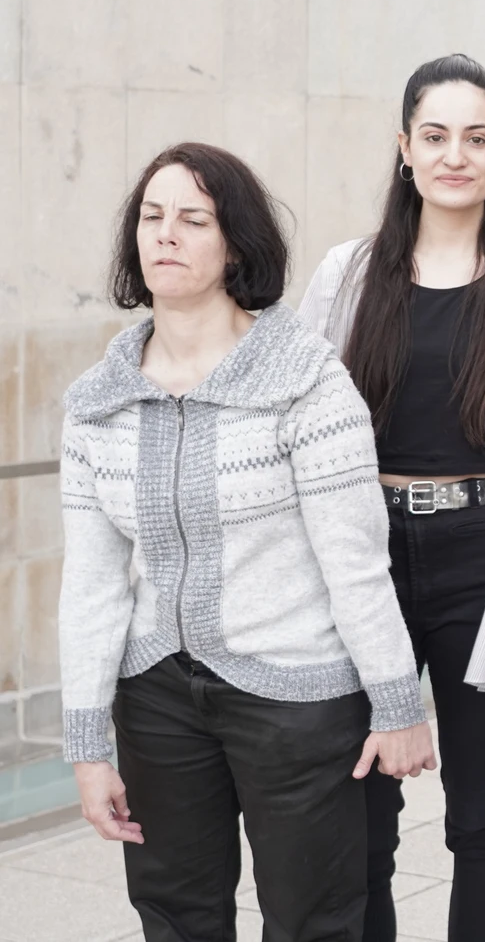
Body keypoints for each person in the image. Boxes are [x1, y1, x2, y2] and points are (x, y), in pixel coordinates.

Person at [59, 142, 434, 940]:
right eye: (152, 217)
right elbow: (91, 585)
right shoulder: (98, 402)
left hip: (298, 697)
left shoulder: (305, 379)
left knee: (314, 921)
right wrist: (90, 747)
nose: (167, 234)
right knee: (174, 914)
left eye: (193, 219)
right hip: (157, 696)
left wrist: (399, 703)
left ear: (236, 244)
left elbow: (355, 561)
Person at [298, 54, 485, 942]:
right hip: (365, 557)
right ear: (404, 148)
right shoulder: (350, 273)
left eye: (476, 137)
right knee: (362, 805)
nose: (456, 154)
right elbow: (297, 414)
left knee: (479, 814)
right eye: (436, 135)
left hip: (483, 555)